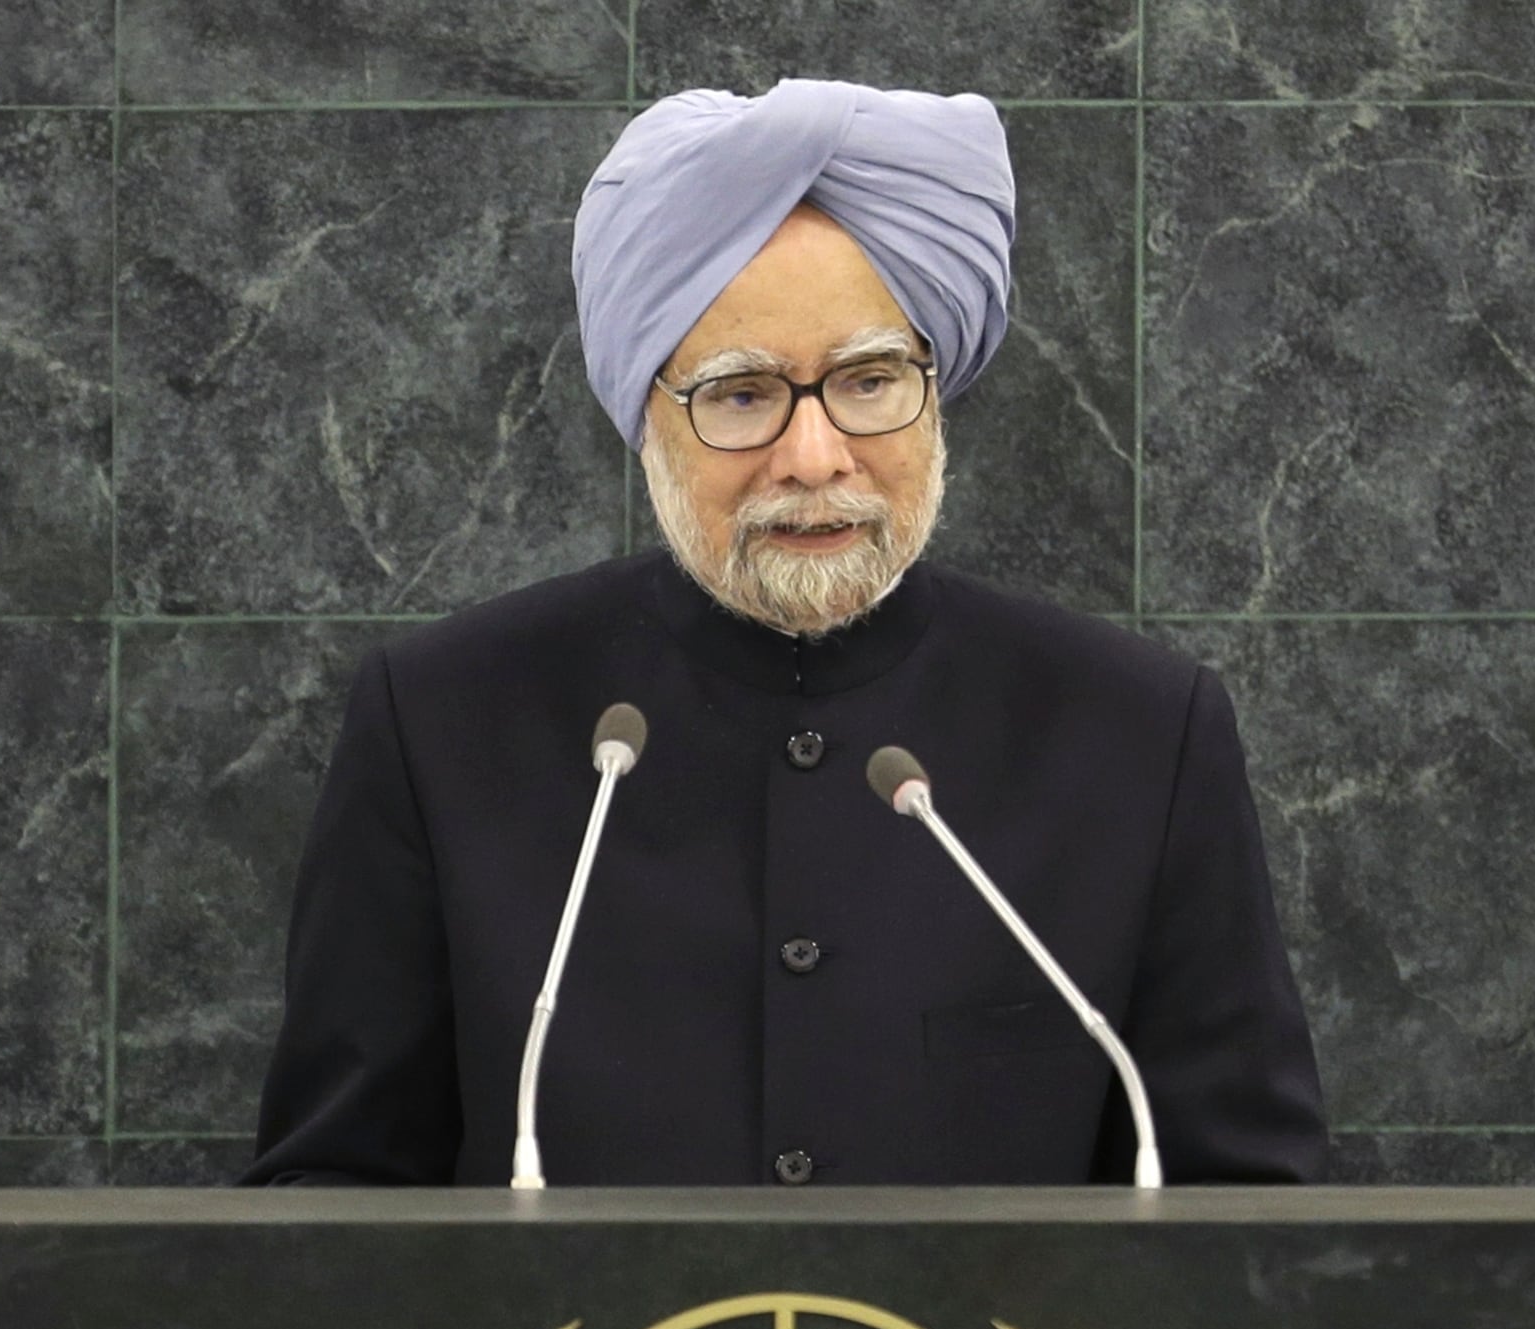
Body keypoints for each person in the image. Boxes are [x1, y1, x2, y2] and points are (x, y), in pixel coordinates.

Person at [245, 80, 1326, 1188]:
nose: (814, 456)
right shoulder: (442, 724)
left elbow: (1249, 1221)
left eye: (867, 381)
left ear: (933, 390)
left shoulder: (1137, 735)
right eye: (743, 394)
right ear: (648, 416)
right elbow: (333, 1205)